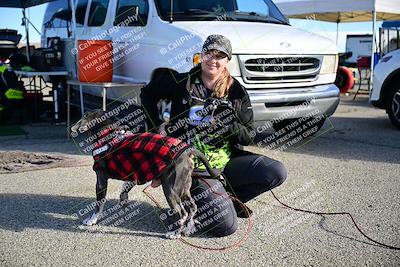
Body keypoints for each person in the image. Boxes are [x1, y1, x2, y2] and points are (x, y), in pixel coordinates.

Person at [140, 34, 287, 237]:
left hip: (224, 162)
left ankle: (224, 200)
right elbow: (147, 93)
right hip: (192, 168)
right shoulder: (182, 81)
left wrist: (230, 124)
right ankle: (195, 202)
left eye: (220, 55)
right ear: (201, 55)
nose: (213, 60)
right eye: (209, 53)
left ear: (228, 60)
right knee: (227, 228)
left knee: (275, 172)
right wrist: (157, 127)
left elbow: (248, 137)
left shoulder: (237, 92)